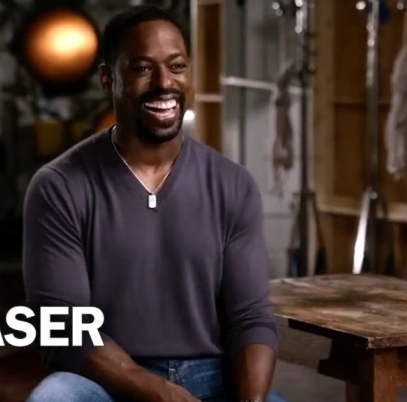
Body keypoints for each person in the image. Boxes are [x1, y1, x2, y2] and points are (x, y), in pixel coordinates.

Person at [22, 5, 287, 402]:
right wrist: (159, 392)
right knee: (54, 398)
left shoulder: (232, 185)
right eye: (143, 68)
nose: (165, 82)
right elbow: (63, 325)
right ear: (108, 78)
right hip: (107, 379)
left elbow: (250, 317)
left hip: (212, 375)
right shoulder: (59, 186)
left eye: (177, 67)